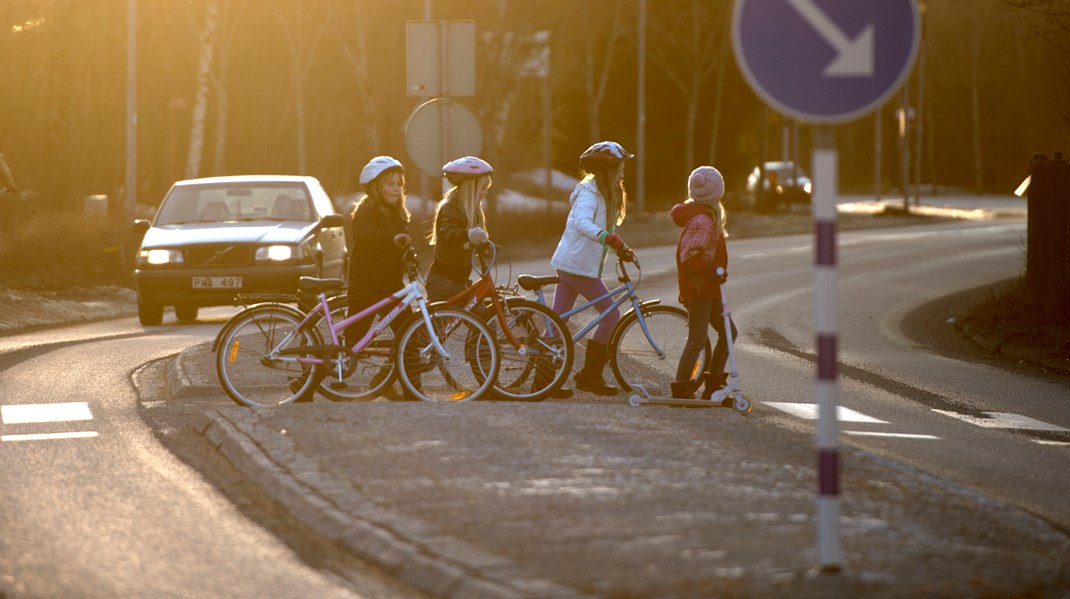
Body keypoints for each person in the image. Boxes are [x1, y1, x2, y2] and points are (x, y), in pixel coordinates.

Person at [548, 141, 635, 396]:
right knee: (611, 315)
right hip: (576, 267)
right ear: (607, 170)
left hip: (573, 264)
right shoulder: (589, 193)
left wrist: (621, 247)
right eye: (620, 167)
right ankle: (590, 375)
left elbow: (606, 231)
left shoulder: (605, 193)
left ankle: (543, 381)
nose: (622, 172)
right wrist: (606, 237)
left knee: (557, 322)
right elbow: (581, 222)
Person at [669, 165, 737, 403]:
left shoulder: (706, 218)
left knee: (729, 331)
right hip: (699, 289)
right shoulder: (703, 221)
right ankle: (681, 387)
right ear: (717, 192)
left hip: (708, 288)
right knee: (697, 339)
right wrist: (713, 269)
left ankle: (714, 385)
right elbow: (691, 257)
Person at [345, 155, 412, 349]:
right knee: (353, 340)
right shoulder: (365, 211)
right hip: (366, 287)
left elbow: (402, 242)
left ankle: (411, 379)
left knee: (409, 334)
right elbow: (366, 234)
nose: (396, 188)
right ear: (376, 187)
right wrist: (391, 239)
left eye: (399, 184)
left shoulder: (397, 213)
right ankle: (318, 375)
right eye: (390, 184)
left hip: (390, 285)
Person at [426, 156, 493, 302]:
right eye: (483, 188)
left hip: (459, 281)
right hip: (443, 282)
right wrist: (468, 235)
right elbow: (449, 233)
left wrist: (483, 245)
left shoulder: (471, 211)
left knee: (484, 322)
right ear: (471, 187)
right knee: (441, 325)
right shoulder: (451, 207)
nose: (485, 193)